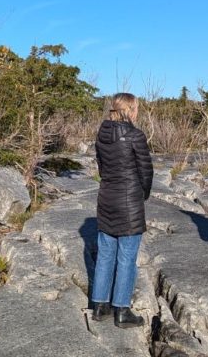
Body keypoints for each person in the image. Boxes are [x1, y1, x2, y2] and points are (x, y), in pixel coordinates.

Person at [90, 92, 153, 328]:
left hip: (106, 198)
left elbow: (102, 167)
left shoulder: (101, 134)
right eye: (136, 108)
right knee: (127, 257)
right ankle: (122, 310)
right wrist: (143, 194)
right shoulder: (136, 136)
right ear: (130, 110)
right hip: (129, 203)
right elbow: (146, 172)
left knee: (105, 254)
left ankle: (99, 306)